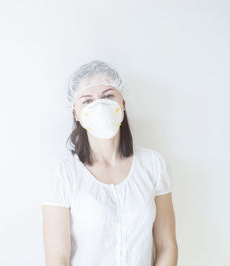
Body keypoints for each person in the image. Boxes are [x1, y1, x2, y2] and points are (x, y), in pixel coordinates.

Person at [41, 60, 178, 266]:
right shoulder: (64, 174)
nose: (99, 106)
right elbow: (57, 257)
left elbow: (167, 245)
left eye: (108, 96)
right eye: (87, 100)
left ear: (122, 103)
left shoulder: (153, 165)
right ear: (75, 112)